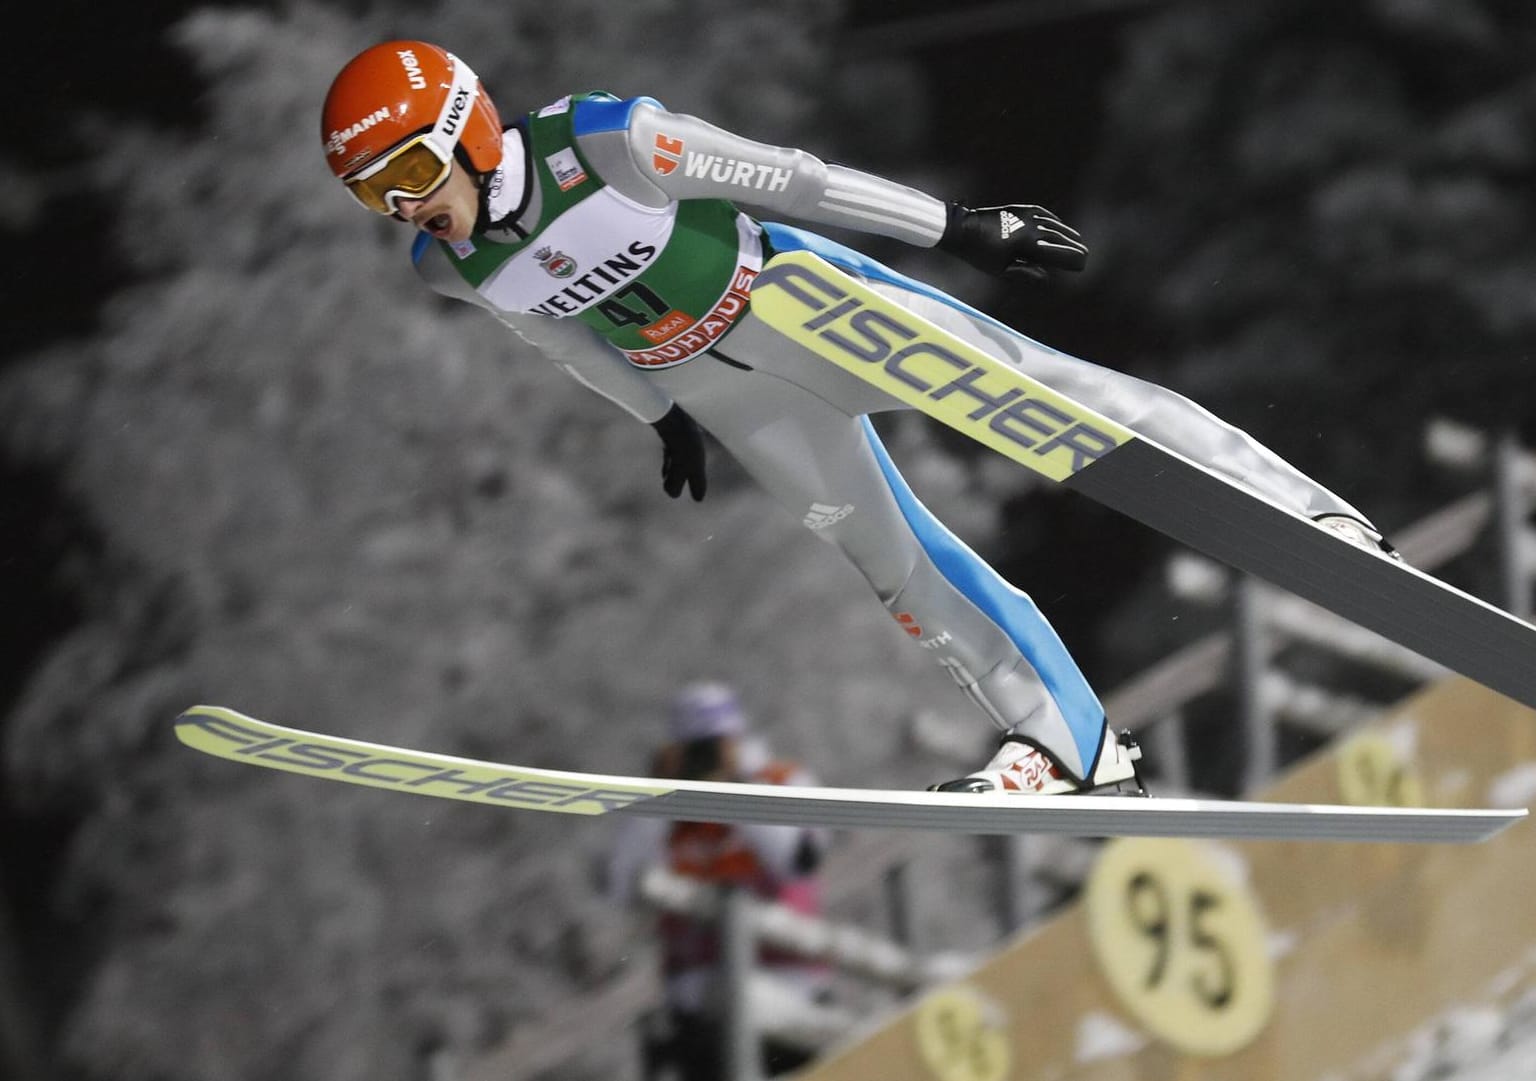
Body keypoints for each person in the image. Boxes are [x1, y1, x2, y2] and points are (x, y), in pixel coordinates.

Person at [320, 40, 1395, 795]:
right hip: (722, 391)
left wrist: (960, 226)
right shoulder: (449, 269)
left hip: (801, 304)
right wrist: (658, 418)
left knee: (1048, 397)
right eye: (377, 195)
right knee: (899, 570)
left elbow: (795, 179)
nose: (409, 205)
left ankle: (1303, 515)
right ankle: (1067, 746)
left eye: (411, 169)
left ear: (465, 129)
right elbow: (562, 340)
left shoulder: (605, 141)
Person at [606, 683, 830, 1080]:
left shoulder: (780, 780)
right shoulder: (665, 812)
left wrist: (740, 791)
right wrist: (657, 800)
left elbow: (798, 863)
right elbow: (621, 889)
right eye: (696, 748)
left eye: (714, 745)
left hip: (792, 986)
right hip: (699, 1004)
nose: (706, 758)